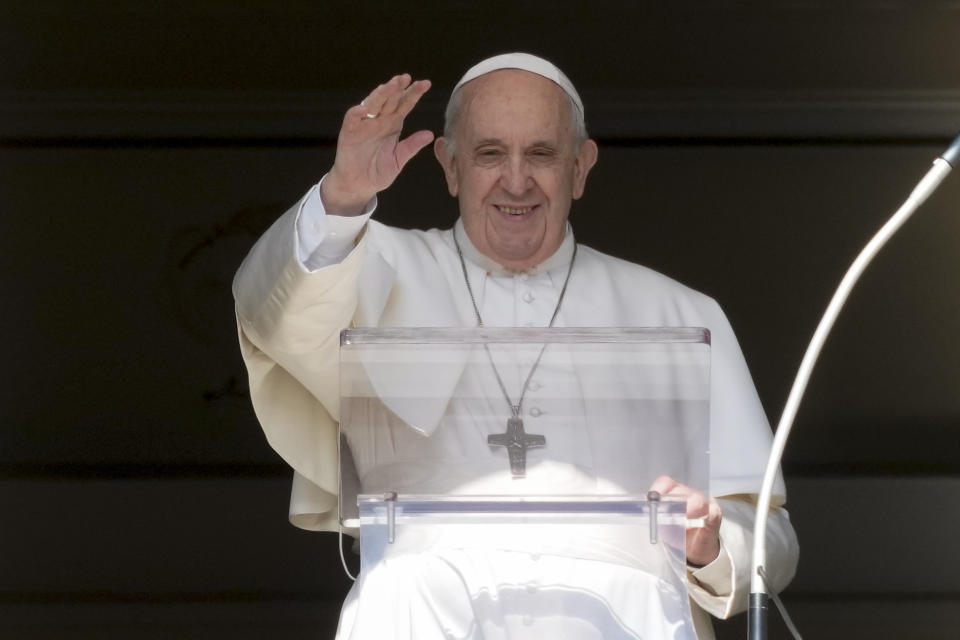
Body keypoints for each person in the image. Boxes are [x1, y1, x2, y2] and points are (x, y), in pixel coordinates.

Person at [233, 53, 798, 639]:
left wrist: (711, 544)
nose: (517, 180)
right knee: (398, 589)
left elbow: (770, 541)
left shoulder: (680, 313)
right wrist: (344, 194)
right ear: (450, 166)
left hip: (623, 615)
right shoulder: (371, 267)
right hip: (423, 610)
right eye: (490, 153)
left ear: (581, 167)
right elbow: (272, 313)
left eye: (543, 154)